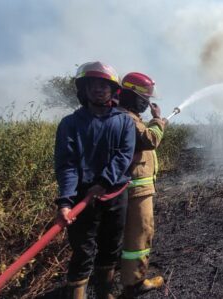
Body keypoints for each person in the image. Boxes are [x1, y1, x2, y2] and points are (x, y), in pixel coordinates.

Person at [54, 61, 136, 299]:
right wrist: (66, 201)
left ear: (113, 91)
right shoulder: (70, 124)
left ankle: (104, 293)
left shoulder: (124, 122)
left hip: (115, 195)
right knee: (82, 251)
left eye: (104, 85)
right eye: (93, 85)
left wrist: (105, 181)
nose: (99, 89)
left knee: (110, 247)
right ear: (84, 90)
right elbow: (66, 164)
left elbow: (124, 155)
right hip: (83, 198)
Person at [117, 72, 167, 297]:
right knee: (140, 235)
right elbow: (150, 140)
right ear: (132, 94)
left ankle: (118, 279)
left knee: (124, 236)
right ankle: (134, 282)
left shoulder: (124, 116)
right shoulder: (127, 118)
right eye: (145, 98)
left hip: (128, 189)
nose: (147, 103)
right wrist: (158, 120)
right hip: (135, 190)